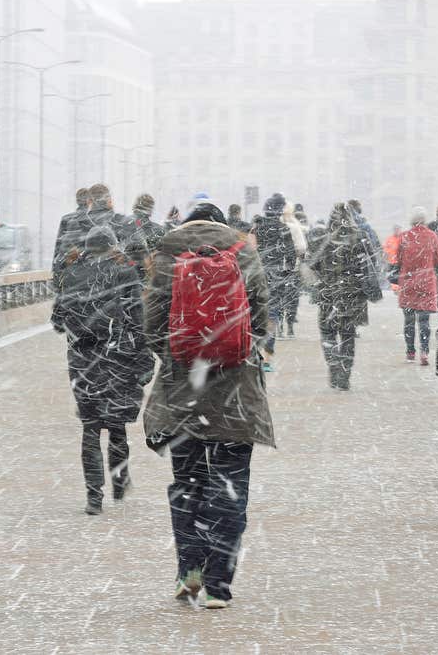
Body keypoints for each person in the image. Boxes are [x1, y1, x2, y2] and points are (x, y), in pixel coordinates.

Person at [142, 200, 274, 608]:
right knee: (230, 488)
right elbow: (262, 321)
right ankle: (219, 585)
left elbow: (151, 327)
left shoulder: (166, 256)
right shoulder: (243, 252)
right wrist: (235, 350)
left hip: (182, 394)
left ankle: (190, 570)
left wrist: (184, 357)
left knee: (188, 486)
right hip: (236, 394)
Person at [51, 225, 153, 514]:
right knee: (117, 424)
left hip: (82, 360)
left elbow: (58, 321)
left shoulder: (71, 272)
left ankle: (93, 496)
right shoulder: (124, 271)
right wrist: (145, 358)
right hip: (116, 355)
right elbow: (137, 318)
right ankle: (120, 480)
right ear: (112, 245)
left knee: (90, 427)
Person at [310, 203, 370, 390]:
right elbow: (368, 268)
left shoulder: (326, 239)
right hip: (352, 295)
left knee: (328, 333)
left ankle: (334, 365)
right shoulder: (360, 238)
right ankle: (345, 374)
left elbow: (314, 265)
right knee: (347, 336)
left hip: (329, 294)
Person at [251, 193, 296, 362]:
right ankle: (268, 354)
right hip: (276, 276)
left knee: (255, 312)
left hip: (257, 275)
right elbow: (291, 255)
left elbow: (249, 249)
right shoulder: (283, 229)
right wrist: (287, 272)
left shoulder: (257, 227)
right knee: (273, 314)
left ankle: (255, 351)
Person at [396, 208, 438, 365]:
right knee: (424, 321)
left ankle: (410, 352)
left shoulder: (404, 237)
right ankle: (424, 352)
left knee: (408, 320)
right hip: (426, 282)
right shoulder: (432, 236)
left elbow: (398, 259)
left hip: (408, 282)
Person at [279, 202, 307, 337]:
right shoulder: (295, 226)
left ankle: (278, 326)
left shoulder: (273, 226)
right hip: (292, 267)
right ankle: (290, 327)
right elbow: (302, 247)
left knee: (277, 297)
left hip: (276, 267)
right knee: (291, 297)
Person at [52, 187, 90, 286]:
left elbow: (58, 246)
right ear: (90, 200)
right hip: (87, 270)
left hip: (69, 267)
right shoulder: (94, 219)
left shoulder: (66, 219)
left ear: (77, 201)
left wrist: (55, 269)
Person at [132, 193, 166, 279]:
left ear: (135, 208)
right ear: (150, 211)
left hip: (126, 278)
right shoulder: (159, 230)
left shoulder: (123, 226)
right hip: (149, 277)